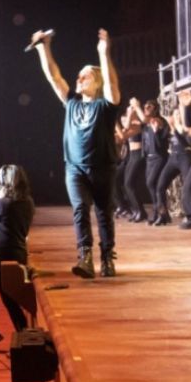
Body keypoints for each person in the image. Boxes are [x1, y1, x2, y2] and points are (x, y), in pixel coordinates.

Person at [30, 28, 122, 277]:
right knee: (80, 209)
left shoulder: (106, 106)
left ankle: (107, 258)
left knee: (104, 213)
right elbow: (53, 77)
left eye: (85, 76)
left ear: (97, 82)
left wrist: (103, 53)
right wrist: (44, 47)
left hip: (103, 167)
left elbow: (113, 84)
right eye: (79, 76)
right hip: (74, 167)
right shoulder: (71, 102)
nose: (79, 79)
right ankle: (85, 257)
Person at [0, 164, 35, 351]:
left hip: (3, 254)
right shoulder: (28, 202)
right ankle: (24, 332)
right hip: (19, 252)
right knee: (7, 295)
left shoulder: (2, 202)